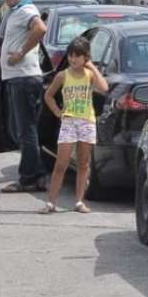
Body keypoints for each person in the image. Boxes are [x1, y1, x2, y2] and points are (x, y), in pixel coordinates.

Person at [39, 37, 108, 214]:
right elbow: (48, 95)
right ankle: (51, 202)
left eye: (77, 56)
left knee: (83, 164)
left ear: (85, 57)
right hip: (69, 121)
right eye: (70, 55)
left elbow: (104, 87)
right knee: (61, 164)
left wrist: (92, 66)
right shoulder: (63, 75)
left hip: (87, 121)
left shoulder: (89, 75)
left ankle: (79, 201)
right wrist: (57, 111)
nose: (73, 59)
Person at [0, 0, 49, 193]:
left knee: (25, 131)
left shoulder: (26, 10)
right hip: (16, 77)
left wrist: (20, 52)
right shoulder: (14, 11)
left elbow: (41, 28)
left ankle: (28, 178)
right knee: (20, 130)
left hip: (23, 77)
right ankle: (38, 174)